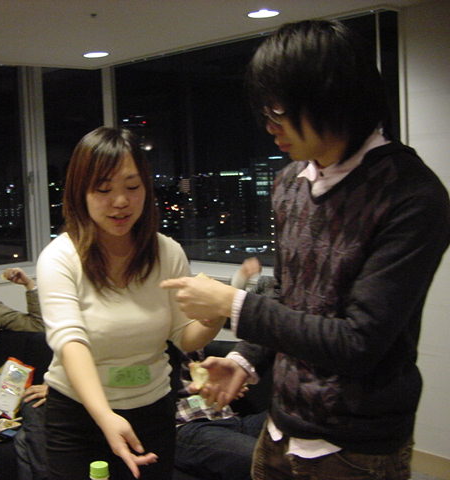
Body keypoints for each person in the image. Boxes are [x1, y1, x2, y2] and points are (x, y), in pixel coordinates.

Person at [161, 19, 450, 480]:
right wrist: (244, 360)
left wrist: (233, 306)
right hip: (280, 427)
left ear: (333, 100)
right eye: (265, 112)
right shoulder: (290, 183)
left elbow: (357, 342)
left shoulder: (411, 195)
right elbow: (289, 294)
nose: (269, 127)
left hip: (357, 447)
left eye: (280, 111)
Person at [35, 126, 225, 480]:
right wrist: (104, 415)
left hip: (153, 410)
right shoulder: (60, 258)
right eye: (104, 189)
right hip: (79, 416)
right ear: (80, 192)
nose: (120, 201)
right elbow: (70, 342)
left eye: (132, 187)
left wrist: (215, 314)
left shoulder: (167, 253)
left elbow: (184, 335)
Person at [174, 259, 267, 480]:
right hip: (186, 426)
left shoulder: (188, 322)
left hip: (225, 416)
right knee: (264, 462)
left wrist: (223, 383)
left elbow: (216, 314)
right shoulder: (151, 324)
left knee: (300, 428)